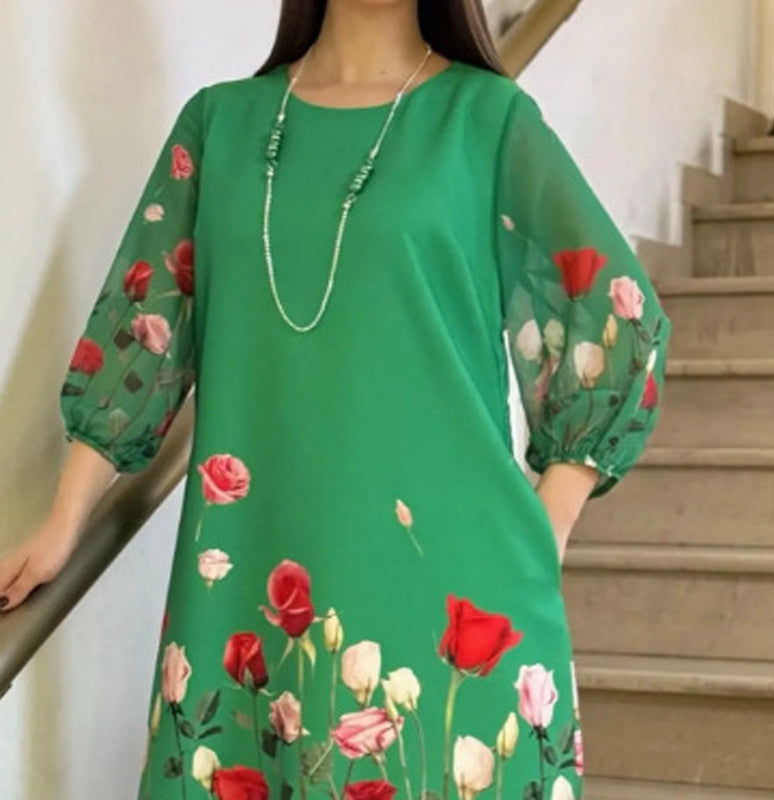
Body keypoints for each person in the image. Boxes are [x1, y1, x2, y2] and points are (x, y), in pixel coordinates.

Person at [0, 2, 672, 799]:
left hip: (451, 583)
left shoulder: (486, 120)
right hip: (251, 577)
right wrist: (63, 522)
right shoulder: (219, 126)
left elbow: (623, 317)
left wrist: (545, 526)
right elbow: (142, 331)